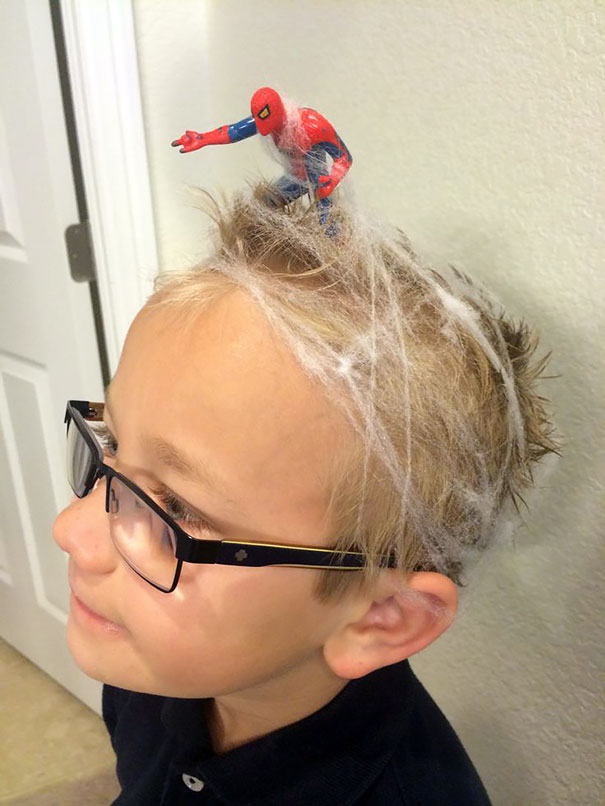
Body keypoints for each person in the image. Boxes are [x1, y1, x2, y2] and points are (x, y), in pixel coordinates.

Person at [53, 183, 558, 805]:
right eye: (111, 446)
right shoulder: (147, 674)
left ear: (382, 619)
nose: (70, 529)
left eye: (173, 508)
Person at [171, 86, 352, 226]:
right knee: (260, 207)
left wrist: (331, 181)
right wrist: (203, 138)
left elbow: (344, 157)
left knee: (328, 227)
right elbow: (233, 131)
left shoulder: (312, 125)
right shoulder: (263, 120)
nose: (268, 131)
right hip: (296, 178)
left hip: (319, 182)